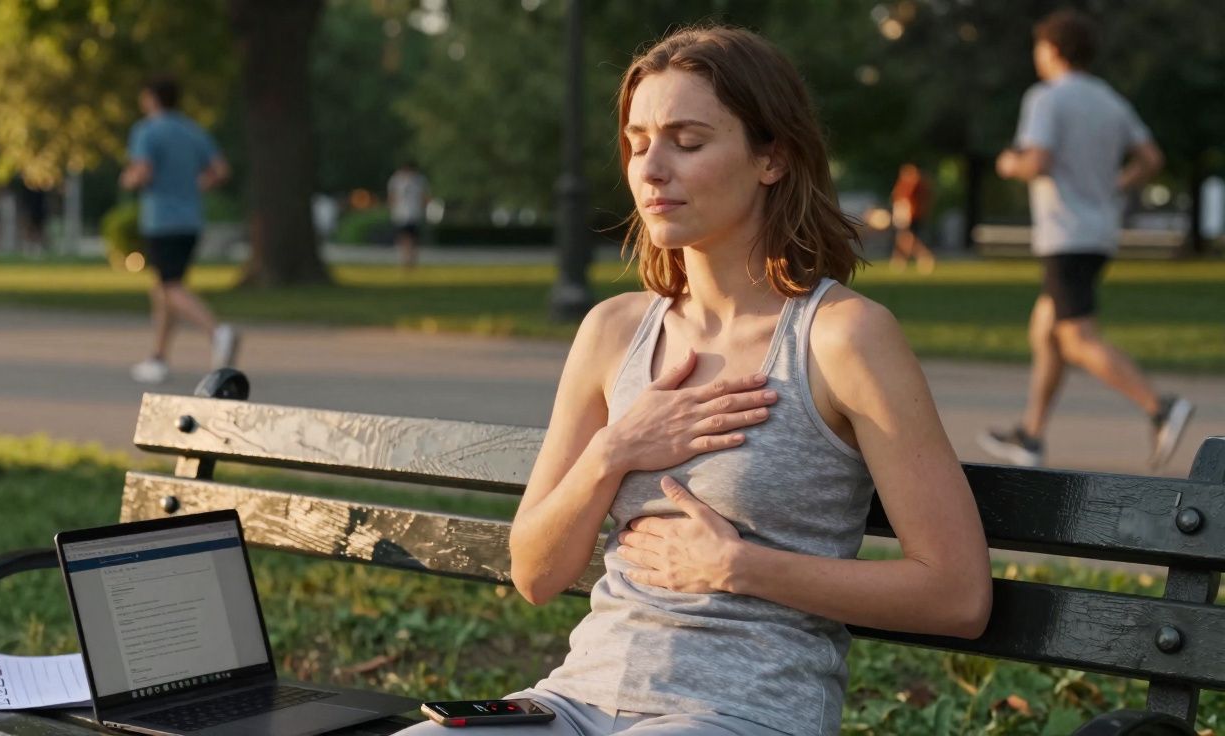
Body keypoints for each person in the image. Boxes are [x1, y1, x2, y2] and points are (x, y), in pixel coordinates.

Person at [397, 25, 991, 736]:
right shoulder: (614, 331)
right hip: (575, 702)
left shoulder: (842, 338)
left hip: (740, 712)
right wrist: (615, 449)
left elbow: (956, 594)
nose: (650, 169)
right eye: (638, 140)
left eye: (687, 140)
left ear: (771, 157)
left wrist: (740, 567)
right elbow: (534, 572)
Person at [978, 10, 1192, 469]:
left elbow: (1036, 161)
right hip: (1099, 231)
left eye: (1039, 47)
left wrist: (1007, 164)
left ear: (1053, 50)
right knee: (1046, 330)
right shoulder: (1110, 100)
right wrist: (1117, 183)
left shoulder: (1047, 97)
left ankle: (1160, 407)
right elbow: (1151, 157)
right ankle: (1030, 436)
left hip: (1066, 234)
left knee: (1075, 338)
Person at [120, 75, 238, 384]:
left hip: (162, 220)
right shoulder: (192, 131)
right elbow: (221, 170)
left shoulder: (146, 131)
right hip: (190, 220)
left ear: (150, 98)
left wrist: (130, 178)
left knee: (171, 288)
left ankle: (217, 332)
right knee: (162, 289)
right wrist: (195, 186)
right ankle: (158, 357)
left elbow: (143, 171)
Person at [889, 163, 936, 272]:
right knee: (907, 238)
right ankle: (901, 258)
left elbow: (901, 199)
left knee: (907, 238)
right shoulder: (919, 185)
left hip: (909, 215)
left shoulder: (912, 185)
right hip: (912, 214)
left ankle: (923, 256)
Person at [387, 161, 428, 269]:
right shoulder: (396, 180)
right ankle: (405, 260)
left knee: (413, 239)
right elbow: (392, 197)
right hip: (401, 214)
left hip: (414, 213)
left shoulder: (419, 180)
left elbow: (423, 197)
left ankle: (411, 261)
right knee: (404, 238)